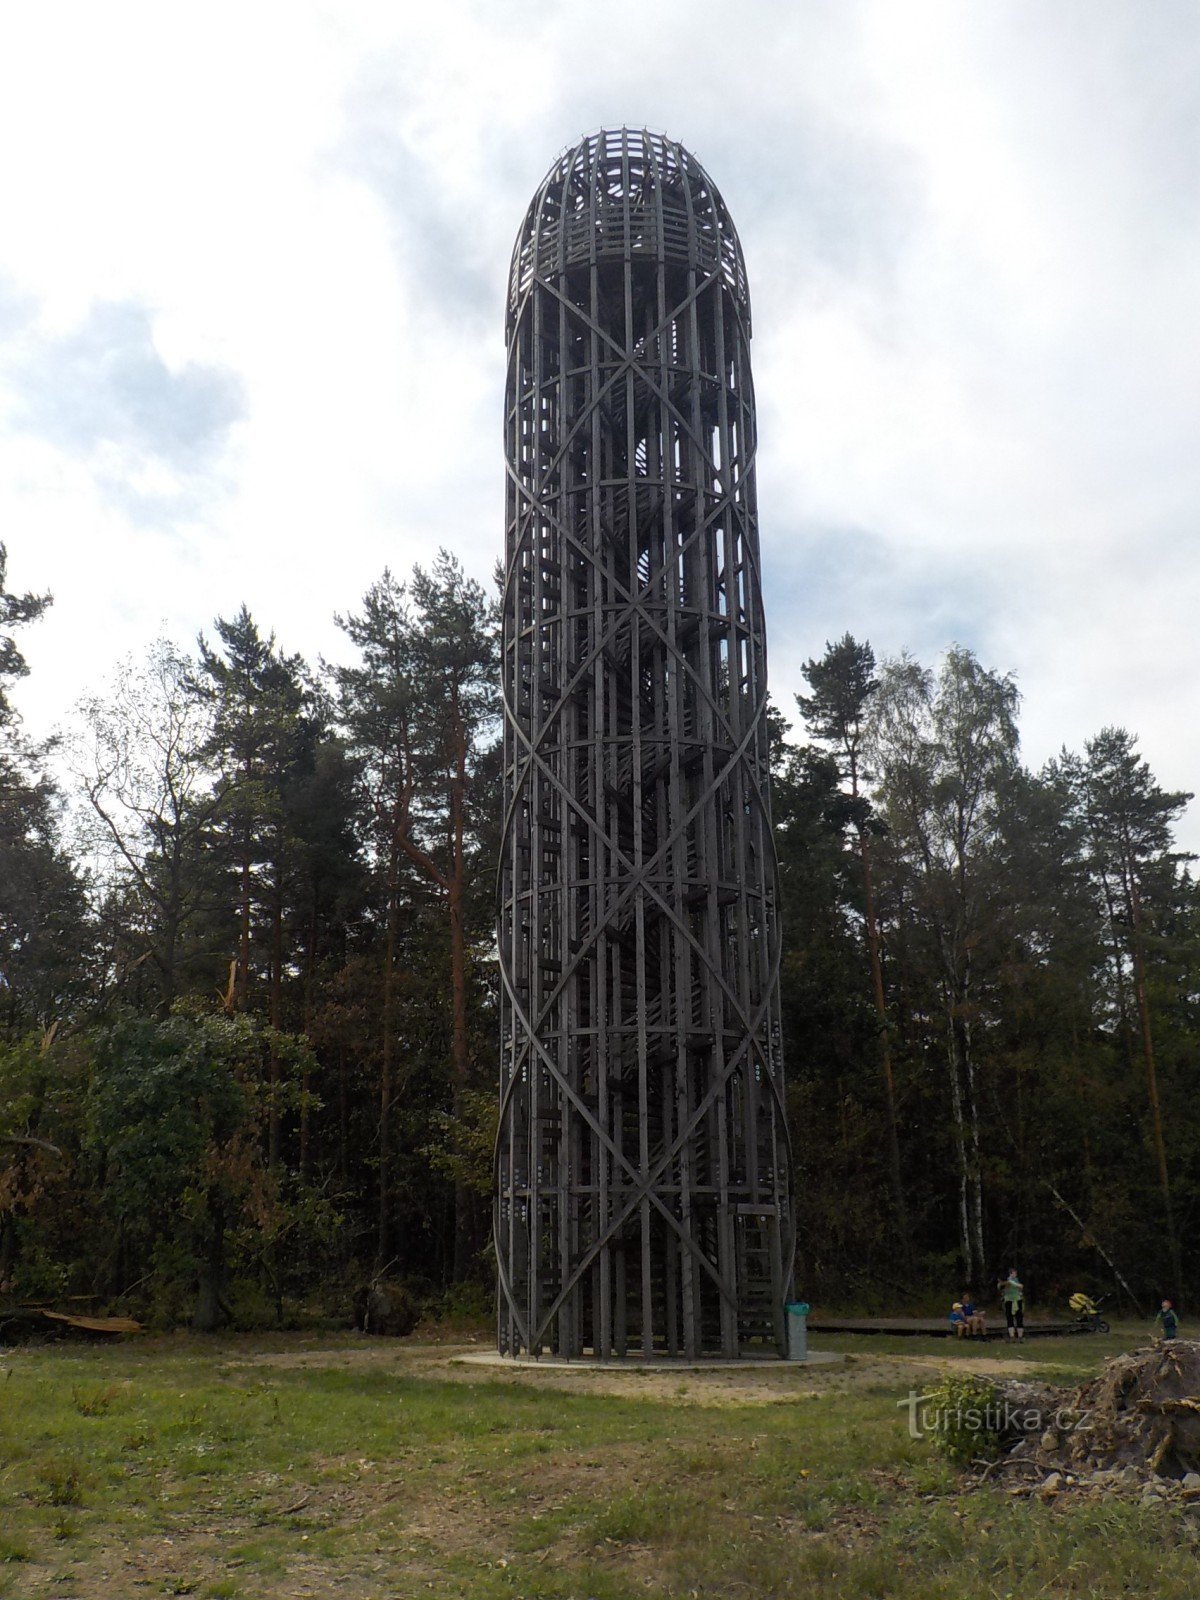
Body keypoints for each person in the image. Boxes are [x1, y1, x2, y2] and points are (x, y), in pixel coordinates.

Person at [998, 1268, 1024, 1340]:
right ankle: (1012, 1336)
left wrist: (1017, 1286)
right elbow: (1000, 1287)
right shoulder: (1006, 1281)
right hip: (1009, 1300)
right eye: (1013, 1273)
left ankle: (1020, 1336)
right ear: (1010, 1273)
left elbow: (1021, 1286)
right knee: (1009, 1318)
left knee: (1019, 1318)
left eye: (1015, 1273)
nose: (1015, 1274)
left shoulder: (1017, 1280)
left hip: (1017, 1300)